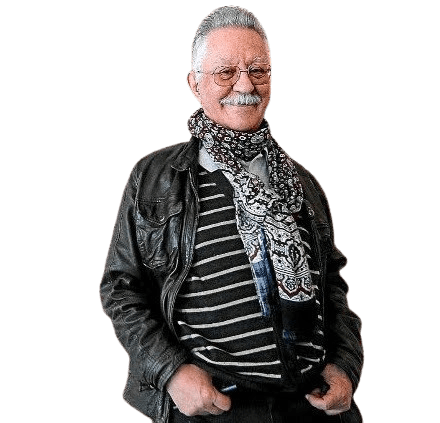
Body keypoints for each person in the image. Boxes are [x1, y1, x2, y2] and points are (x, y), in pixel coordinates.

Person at [99, 6, 363, 423]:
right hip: (215, 407)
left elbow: (333, 286)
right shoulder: (154, 178)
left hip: (312, 406)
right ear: (194, 83)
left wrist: (346, 366)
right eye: (225, 72)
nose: (245, 85)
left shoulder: (302, 182)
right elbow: (121, 289)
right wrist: (170, 373)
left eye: (258, 70)